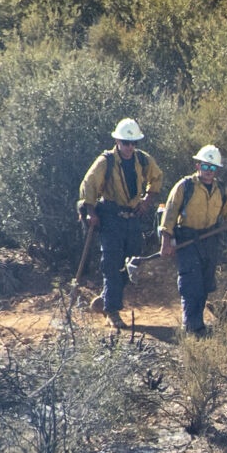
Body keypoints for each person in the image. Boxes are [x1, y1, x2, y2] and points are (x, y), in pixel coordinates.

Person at [157, 145, 227, 337]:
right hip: (187, 240)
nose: (208, 172)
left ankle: (198, 325)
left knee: (205, 284)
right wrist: (166, 240)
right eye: (206, 166)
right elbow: (170, 213)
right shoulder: (185, 186)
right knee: (191, 283)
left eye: (213, 168)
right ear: (198, 165)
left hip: (209, 241)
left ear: (217, 170)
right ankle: (191, 326)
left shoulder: (220, 189)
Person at [77, 119, 163, 331]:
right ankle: (112, 311)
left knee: (133, 263)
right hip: (111, 218)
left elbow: (157, 178)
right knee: (112, 264)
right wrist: (90, 212)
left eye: (133, 142)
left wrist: (146, 201)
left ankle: (107, 297)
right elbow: (88, 186)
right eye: (125, 142)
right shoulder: (105, 161)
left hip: (133, 219)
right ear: (117, 140)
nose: (129, 147)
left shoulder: (143, 160)